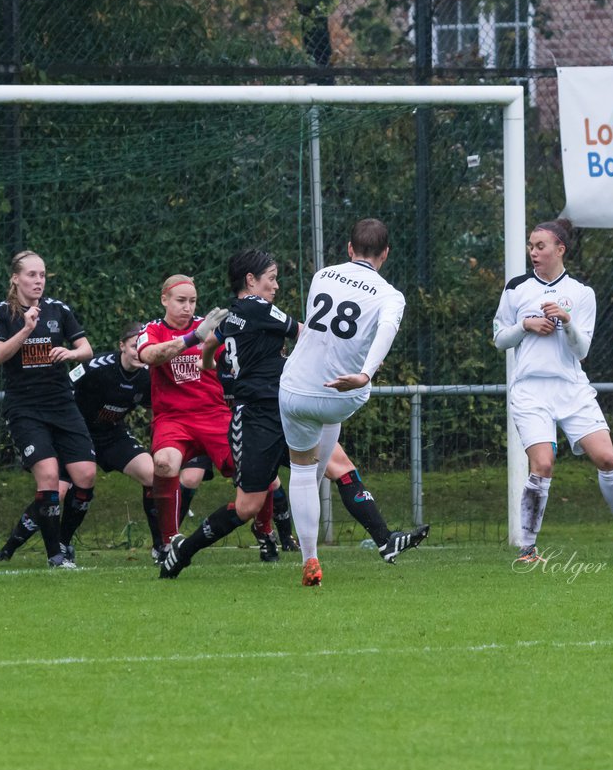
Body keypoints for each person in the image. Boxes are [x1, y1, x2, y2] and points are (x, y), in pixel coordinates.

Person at [161, 248, 427, 580]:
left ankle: (385, 540)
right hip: (258, 416)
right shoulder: (258, 308)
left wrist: (211, 365)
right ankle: (182, 552)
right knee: (247, 506)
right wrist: (360, 358)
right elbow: (309, 332)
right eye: (271, 279)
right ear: (251, 281)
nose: (275, 286)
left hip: (288, 406)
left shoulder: (230, 315)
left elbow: (209, 345)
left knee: (340, 467)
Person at [491, 217, 613, 564]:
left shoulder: (581, 294)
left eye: (540, 246)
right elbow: (498, 339)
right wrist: (525, 325)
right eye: (531, 246)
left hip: (572, 389)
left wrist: (566, 322)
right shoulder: (517, 288)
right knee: (543, 464)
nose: (533, 252)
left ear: (559, 249)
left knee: (607, 458)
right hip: (530, 391)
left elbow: (582, 351)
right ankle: (528, 549)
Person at [277, 219, 429, 587]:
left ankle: (310, 558)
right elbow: (388, 329)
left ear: (349, 248)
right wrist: (365, 375)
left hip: (295, 388)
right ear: (386, 254)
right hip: (339, 395)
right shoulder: (390, 294)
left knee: (302, 472)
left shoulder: (323, 275)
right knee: (319, 463)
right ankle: (375, 540)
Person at [0, 321, 209, 564]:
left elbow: (165, 406)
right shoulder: (97, 367)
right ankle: (10, 548)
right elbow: (65, 389)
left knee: (152, 475)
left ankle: (161, 547)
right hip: (76, 435)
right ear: (122, 346)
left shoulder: (148, 376)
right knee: (57, 491)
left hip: (112, 436)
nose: (139, 352)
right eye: (134, 346)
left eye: (143, 346)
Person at [0, 250, 98, 569]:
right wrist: (24, 329)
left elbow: (86, 348)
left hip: (61, 403)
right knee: (49, 476)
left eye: (42, 275)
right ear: (16, 278)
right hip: (25, 408)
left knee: (85, 475)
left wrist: (71, 353)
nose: (38, 281)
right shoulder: (2, 313)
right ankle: (55, 557)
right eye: (32, 275)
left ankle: (63, 540)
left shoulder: (58, 310)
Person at [136, 275, 231, 555]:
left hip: (214, 414)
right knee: (164, 464)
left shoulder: (209, 327)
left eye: (192, 301)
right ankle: (169, 543)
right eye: (180, 301)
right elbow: (151, 356)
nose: (187, 307)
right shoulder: (152, 329)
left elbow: (229, 361)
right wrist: (192, 339)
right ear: (164, 299)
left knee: (252, 464)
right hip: (172, 418)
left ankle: (266, 533)